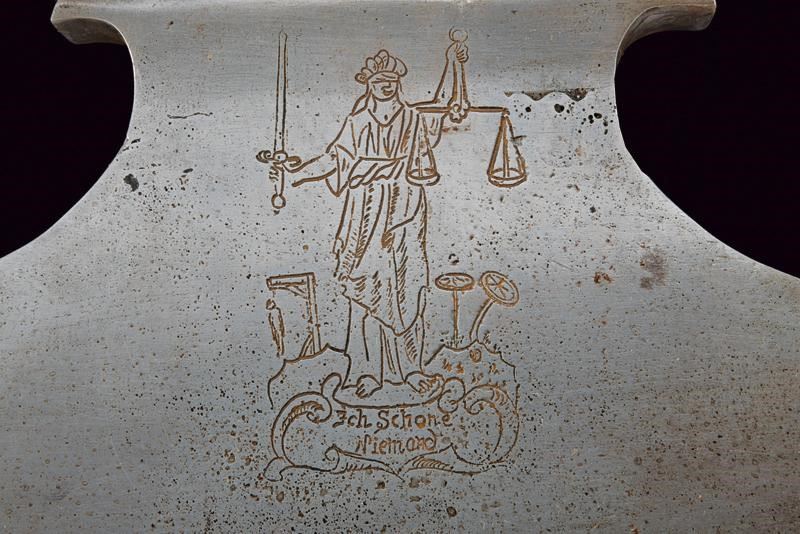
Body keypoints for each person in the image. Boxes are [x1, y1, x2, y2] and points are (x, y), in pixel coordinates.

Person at [259, 41, 468, 398]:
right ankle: (368, 371)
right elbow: (334, 160)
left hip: (404, 214)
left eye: (391, 81)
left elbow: (444, 103)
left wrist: (452, 63)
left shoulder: (414, 119)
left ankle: (411, 369)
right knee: (367, 288)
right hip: (364, 216)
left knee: (405, 288)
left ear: (398, 84)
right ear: (369, 85)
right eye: (379, 81)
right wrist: (295, 174)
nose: (386, 86)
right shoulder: (357, 123)